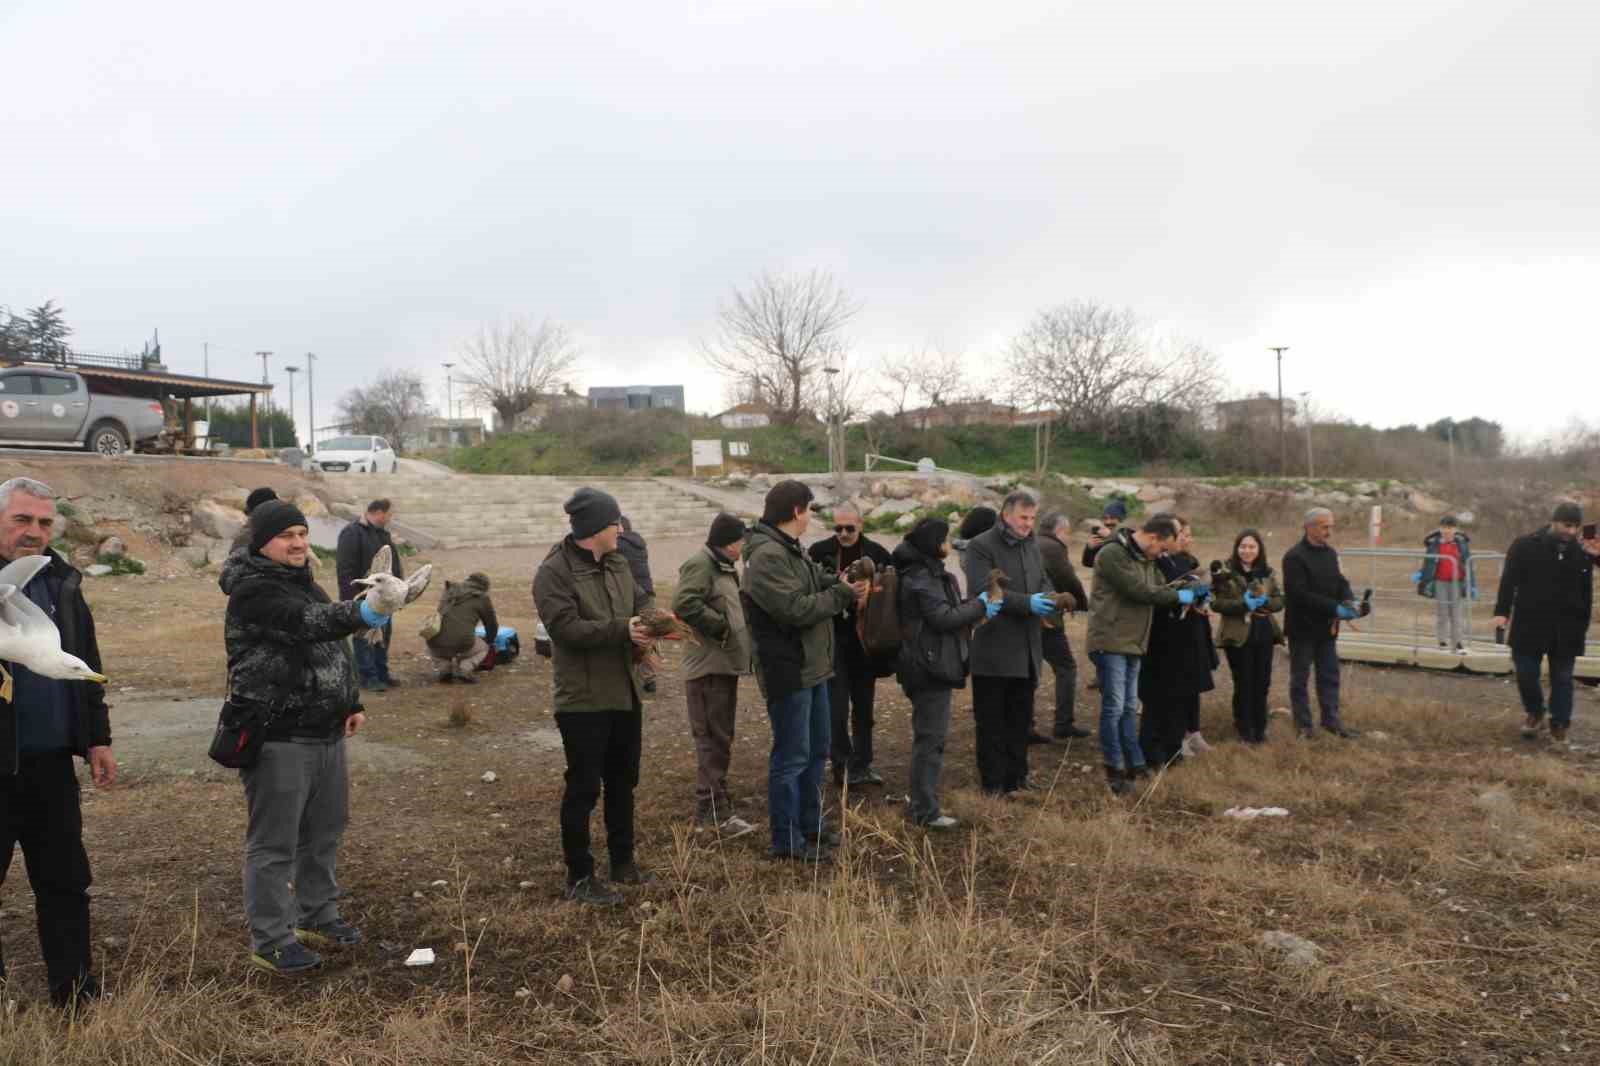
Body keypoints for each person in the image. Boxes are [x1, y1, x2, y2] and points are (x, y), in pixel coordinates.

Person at [222, 499, 380, 975]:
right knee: (274, 844)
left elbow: (331, 647)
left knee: (324, 832)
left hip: (325, 730)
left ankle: (318, 914)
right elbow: (312, 624)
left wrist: (349, 702)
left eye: (302, 534)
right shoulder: (252, 591)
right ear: (261, 541)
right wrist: (369, 610)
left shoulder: (303, 582)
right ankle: (271, 938)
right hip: (278, 735)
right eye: (286, 535)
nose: (297, 543)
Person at [0, 477, 113, 1008]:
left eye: (44, 522)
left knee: (65, 882)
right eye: (23, 519)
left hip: (48, 765)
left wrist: (96, 738)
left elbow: (85, 662)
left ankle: (75, 992)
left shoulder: (61, 581)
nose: (35, 532)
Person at [533, 487, 654, 905]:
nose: (620, 529)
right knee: (583, 787)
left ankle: (623, 862)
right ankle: (580, 876)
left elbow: (642, 600)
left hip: (624, 691)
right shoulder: (554, 572)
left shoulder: (619, 562)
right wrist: (623, 629)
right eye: (613, 523)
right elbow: (565, 628)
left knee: (624, 781)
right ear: (593, 529)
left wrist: (654, 626)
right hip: (583, 701)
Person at [742, 481, 867, 860]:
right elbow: (795, 609)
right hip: (789, 670)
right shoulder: (766, 556)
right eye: (810, 510)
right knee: (792, 757)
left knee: (816, 753)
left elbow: (815, 582)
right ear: (796, 511)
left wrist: (841, 582)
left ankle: (810, 826)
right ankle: (786, 840)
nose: (812, 517)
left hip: (814, 668)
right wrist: (844, 594)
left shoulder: (788, 549)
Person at [892, 517, 988, 829]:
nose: (949, 544)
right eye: (945, 538)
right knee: (930, 739)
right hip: (927, 666)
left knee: (929, 737)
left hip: (927, 662)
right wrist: (981, 605)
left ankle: (921, 801)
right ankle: (924, 810)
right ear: (935, 543)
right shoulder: (922, 576)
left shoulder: (923, 572)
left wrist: (973, 606)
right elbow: (943, 618)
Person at [963, 489, 1059, 796]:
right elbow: (985, 589)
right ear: (1006, 514)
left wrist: (1049, 597)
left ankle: (1017, 778)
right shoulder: (981, 546)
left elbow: (1043, 578)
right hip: (994, 650)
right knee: (992, 723)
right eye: (1023, 517)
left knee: (1020, 721)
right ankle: (993, 785)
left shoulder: (1031, 544)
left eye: (1032, 518)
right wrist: (1028, 603)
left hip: (1028, 648)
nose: (1028, 524)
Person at [1086, 513, 1187, 794]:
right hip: (1110, 640)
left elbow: (1159, 588)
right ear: (1153, 538)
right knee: (1114, 707)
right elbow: (1140, 591)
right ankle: (1114, 768)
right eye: (1163, 547)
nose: (1163, 554)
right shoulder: (1113, 554)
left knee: (1129, 707)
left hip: (1134, 641)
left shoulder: (1147, 559)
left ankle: (1135, 763)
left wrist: (1184, 588)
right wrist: (1178, 596)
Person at [672, 513, 755, 836]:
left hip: (721, 666)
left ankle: (718, 801)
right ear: (729, 542)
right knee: (711, 739)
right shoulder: (701, 564)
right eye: (741, 540)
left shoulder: (722, 567)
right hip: (707, 667)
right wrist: (720, 628)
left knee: (720, 736)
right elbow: (684, 602)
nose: (744, 545)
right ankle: (711, 810)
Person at [1493, 502, 1600, 743]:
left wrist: (1598, 556)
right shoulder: (1525, 545)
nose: (1571, 531)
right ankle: (1535, 712)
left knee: (1563, 678)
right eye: (1567, 525)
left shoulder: (1584, 549)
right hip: (1529, 622)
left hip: (1568, 626)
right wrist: (1501, 612)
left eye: (1576, 526)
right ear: (1554, 521)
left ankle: (1559, 723)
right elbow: (1509, 581)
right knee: (1526, 674)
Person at [807, 502, 893, 786]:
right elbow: (809, 591)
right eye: (838, 528)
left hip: (865, 642)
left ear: (861, 525)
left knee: (865, 707)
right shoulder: (819, 552)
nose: (843, 533)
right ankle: (842, 767)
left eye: (849, 528)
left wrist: (872, 597)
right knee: (836, 708)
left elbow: (893, 590)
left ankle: (863, 764)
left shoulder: (878, 553)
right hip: (832, 639)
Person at [1137, 517, 1218, 765]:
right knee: (1157, 700)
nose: (1181, 538)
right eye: (1177, 533)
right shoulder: (1153, 561)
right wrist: (1179, 594)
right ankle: (1154, 753)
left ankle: (1173, 751)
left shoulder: (1176, 561)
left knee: (1175, 699)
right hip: (1157, 640)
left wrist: (1197, 593)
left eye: (1183, 533)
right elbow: (1155, 594)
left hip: (1181, 640)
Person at [1281, 508, 1361, 740]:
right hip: (1302, 629)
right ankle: (1304, 728)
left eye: (1331, 526)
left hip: (1327, 628)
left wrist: (1349, 600)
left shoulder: (1330, 553)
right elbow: (1299, 595)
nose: (1329, 531)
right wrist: (1334, 608)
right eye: (1325, 527)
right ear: (1310, 527)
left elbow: (1340, 581)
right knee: (1300, 679)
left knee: (1329, 675)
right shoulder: (1294, 557)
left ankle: (1331, 721)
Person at [1212, 529, 1284, 744]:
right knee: (1243, 682)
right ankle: (1244, 727)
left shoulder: (1267, 572)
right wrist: (1243, 605)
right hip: (1238, 634)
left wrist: (1267, 603)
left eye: (1252, 546)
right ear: (1236, 548)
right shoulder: (1225, 572)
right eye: (1243, 546)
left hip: (1263, 632)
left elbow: (1279, 599)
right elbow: (1217, 603)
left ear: (1259, 549)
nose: (1247, 551)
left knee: (1261, 682)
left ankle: (1260, 727)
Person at [335, 499, 403, 693]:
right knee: (364, 638)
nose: (391, 518)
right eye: (390, 514)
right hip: (363, 599)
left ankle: (382, 674)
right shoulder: (352, 533)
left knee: (383, 636)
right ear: (379, 512)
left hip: (385, 600)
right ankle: (368, 678)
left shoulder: (383, 535)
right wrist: (354, 600)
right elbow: (345, 570)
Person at [1036, 511, 1090, 740]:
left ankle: (1026, 726)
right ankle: (1063, 724)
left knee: (1030, 672)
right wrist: (1082, 604)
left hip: (1028, 616)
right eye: (1067, 533)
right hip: (1047, 618)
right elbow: (1068, 578)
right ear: (1060, 530)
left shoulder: (1033, 541)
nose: (1068, 538)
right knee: (1066, 668)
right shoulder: (1053, 547)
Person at [425, 572, 498, 684]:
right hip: (462, 643)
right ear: (485, 587)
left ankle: (444, 668)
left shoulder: (450, 590)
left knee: (436, 646)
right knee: (483, 648)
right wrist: (490, 640)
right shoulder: (482, 597)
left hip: (435, 639)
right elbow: (491, 624)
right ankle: (465, 668)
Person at [1415, 515, 1473, 654]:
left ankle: (1457, 641)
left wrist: (1472, 584)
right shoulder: (1434, 544)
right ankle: (1442, 640)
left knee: (1456, 613)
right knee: (1442, 612)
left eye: (1450, 528)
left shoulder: (1461, 544)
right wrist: (1421, 575)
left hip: (1457, 582)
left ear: (1455, 529)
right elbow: (1428, 563)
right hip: (1440, 581)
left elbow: (1469, 565)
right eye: (1444, 527)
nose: (1447, 530)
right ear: (1440, 528)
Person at [617, 517, 658, 694]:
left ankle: (638, 677)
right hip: (647, 593)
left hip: (632, 594)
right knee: (648, 635)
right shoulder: (638, 543)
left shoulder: (620, 545)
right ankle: (650, 677)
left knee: (635, 635)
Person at [1080, 499, 1128, 569]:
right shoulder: (1100, 533)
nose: (1108, 522)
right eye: (1105, 518)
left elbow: (1128, 555)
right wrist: (1089, 548)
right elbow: (1088, 563)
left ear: (1121, 519)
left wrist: (1110, 536)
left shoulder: (1127, 534)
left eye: (1112, 518)